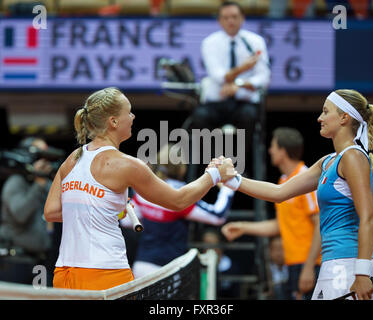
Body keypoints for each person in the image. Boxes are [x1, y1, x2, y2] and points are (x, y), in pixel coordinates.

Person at [43, 87, 236, 291]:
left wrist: (102, 208)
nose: (133, 117)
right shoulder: (127, 165)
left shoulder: (72, 159)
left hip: (63, 274)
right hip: (106, 275)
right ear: (113, 121)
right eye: (129, 112)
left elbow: (51, 212)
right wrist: (214, 175)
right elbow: (178, 200)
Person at [218, 89, 373, 300]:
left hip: (350, 265)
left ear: (344, 117)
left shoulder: (353, 157)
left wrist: (361, 272)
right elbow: (279, 192)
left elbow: (368, 217)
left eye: (325, 111)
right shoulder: (328, 161)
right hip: (332, 264)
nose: (319, 118)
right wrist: (232, 180)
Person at [221, 127, 321, 300]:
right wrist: (243, 227)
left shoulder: (306, 179)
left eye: (273, 146)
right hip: (293, 263)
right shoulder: (284, 181)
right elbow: (280, 224)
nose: (270, 150)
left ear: (282, 151)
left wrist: (309, 267)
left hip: (310, 264)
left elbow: (321, 224)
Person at [119, 143, 235, 278]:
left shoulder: (143, 191)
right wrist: (227, 189)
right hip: (169, 269)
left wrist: (153, 222)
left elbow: (126, 222)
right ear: (181, 168)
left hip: (142, 264)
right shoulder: (181, 194)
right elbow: (217, 215)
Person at [189, 1, 271, 177]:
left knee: (249, 116)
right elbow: (219, 76)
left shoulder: (255, 42)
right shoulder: (210, 42)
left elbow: (263, 78)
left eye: (234, 17)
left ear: (242, 19)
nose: (230, 21)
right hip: (217, 103)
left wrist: (238, 85)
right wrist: (243, 69)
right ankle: (212, 169)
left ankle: (238, 167)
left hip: (243, 102)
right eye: (226, 18)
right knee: (199, 117)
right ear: (220, 21)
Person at [0, 137, 53, 285]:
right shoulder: (15, 182)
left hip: (40, 261)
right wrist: (38, 184)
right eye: (40, 155)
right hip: (16, 262)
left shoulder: (45, 184)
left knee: (42, 297)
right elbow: (20, 215)